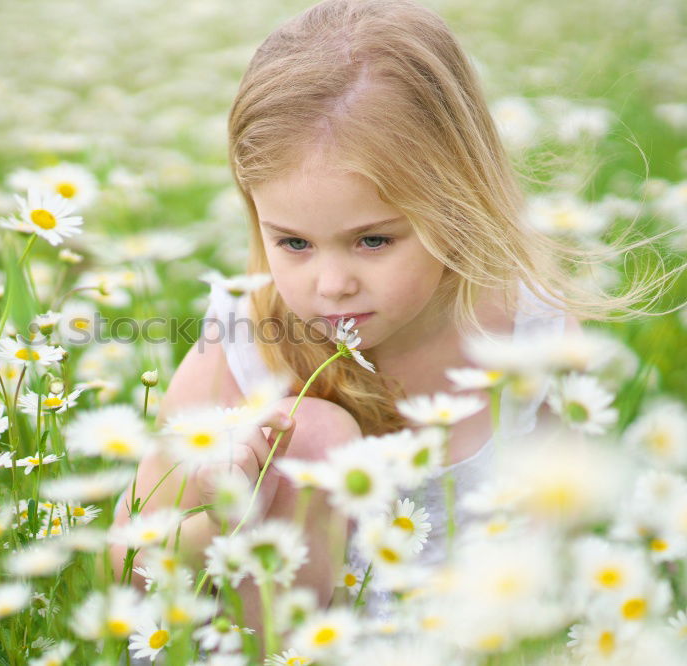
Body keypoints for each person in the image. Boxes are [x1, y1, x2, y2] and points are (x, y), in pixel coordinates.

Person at [108, 0, 672, 645]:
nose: (331, 284)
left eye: (373, 241)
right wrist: (203, 500)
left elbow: (560, 539)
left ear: (457, 202)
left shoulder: (529, 334)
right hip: (280, 650)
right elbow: (129, 572)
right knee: (309, 433)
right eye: (292, 242)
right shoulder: (245, 343)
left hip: (468, 642)